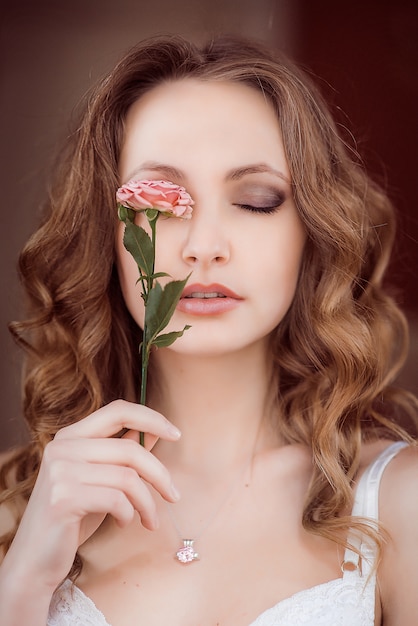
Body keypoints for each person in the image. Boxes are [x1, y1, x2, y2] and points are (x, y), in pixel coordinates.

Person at [0, 34, 417, 626]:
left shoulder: (399, 508)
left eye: (256, 200)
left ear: (313, 232)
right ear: (107, 236)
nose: (202, 248)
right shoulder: (21, 513)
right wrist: (21, 586)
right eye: (163, 205)